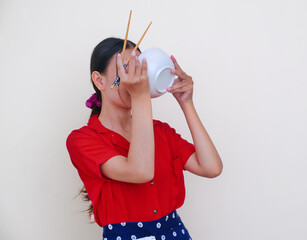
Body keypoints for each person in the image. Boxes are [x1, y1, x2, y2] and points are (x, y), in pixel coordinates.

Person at [66, 37, 223, 240]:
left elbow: (211, 167)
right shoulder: (83, 140)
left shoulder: (160, 131)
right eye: (127, 70)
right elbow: (140, 171)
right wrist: (140, 97)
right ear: (99, 80)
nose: (137, 78)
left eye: (140, 70)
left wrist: (187, 103)